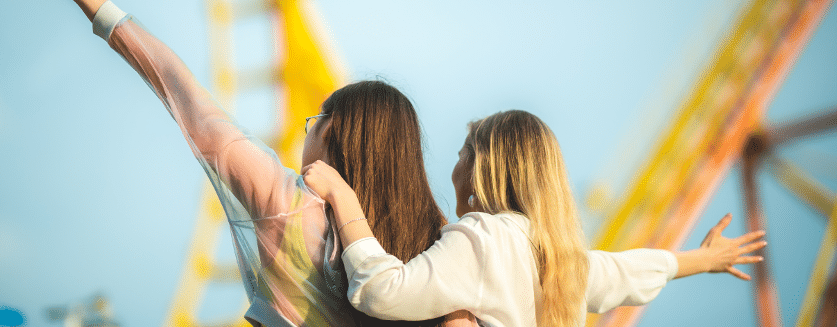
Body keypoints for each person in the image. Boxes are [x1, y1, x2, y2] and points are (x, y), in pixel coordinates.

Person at [28, 0, 473, 327]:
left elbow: (183, 95)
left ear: (335, 131)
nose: (306, 130)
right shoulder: (437, 245)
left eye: (314, 122)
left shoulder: (285, 204)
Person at [303, 110, 767, 327]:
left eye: (462, 154)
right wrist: (702, 260)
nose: (454, 168)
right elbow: (627, 271)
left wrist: (344, 197)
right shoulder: (557, 257)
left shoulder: (482, 239)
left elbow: (384, 292)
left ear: (482, 167)